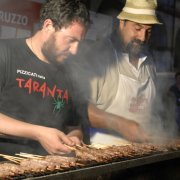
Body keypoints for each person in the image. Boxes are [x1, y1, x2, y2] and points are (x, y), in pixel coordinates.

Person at [0, 0, 90, 155]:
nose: (75, 51)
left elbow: (74, 126)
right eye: (71, 40)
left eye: (79, 43)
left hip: (51, 170)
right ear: (48, 26)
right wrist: (38, 133)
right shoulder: (5, 53)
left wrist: (74, 137)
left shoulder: (71, 74)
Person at [67, 0, 163, 145]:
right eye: (137, 29)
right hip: (105, 156)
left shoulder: (149, 61)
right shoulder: (100, 56)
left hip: (145, 154)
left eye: (148, 31)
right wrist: (121, 124)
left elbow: (154, 109)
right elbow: (80, 108)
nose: (143, 37)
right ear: (121, 23)